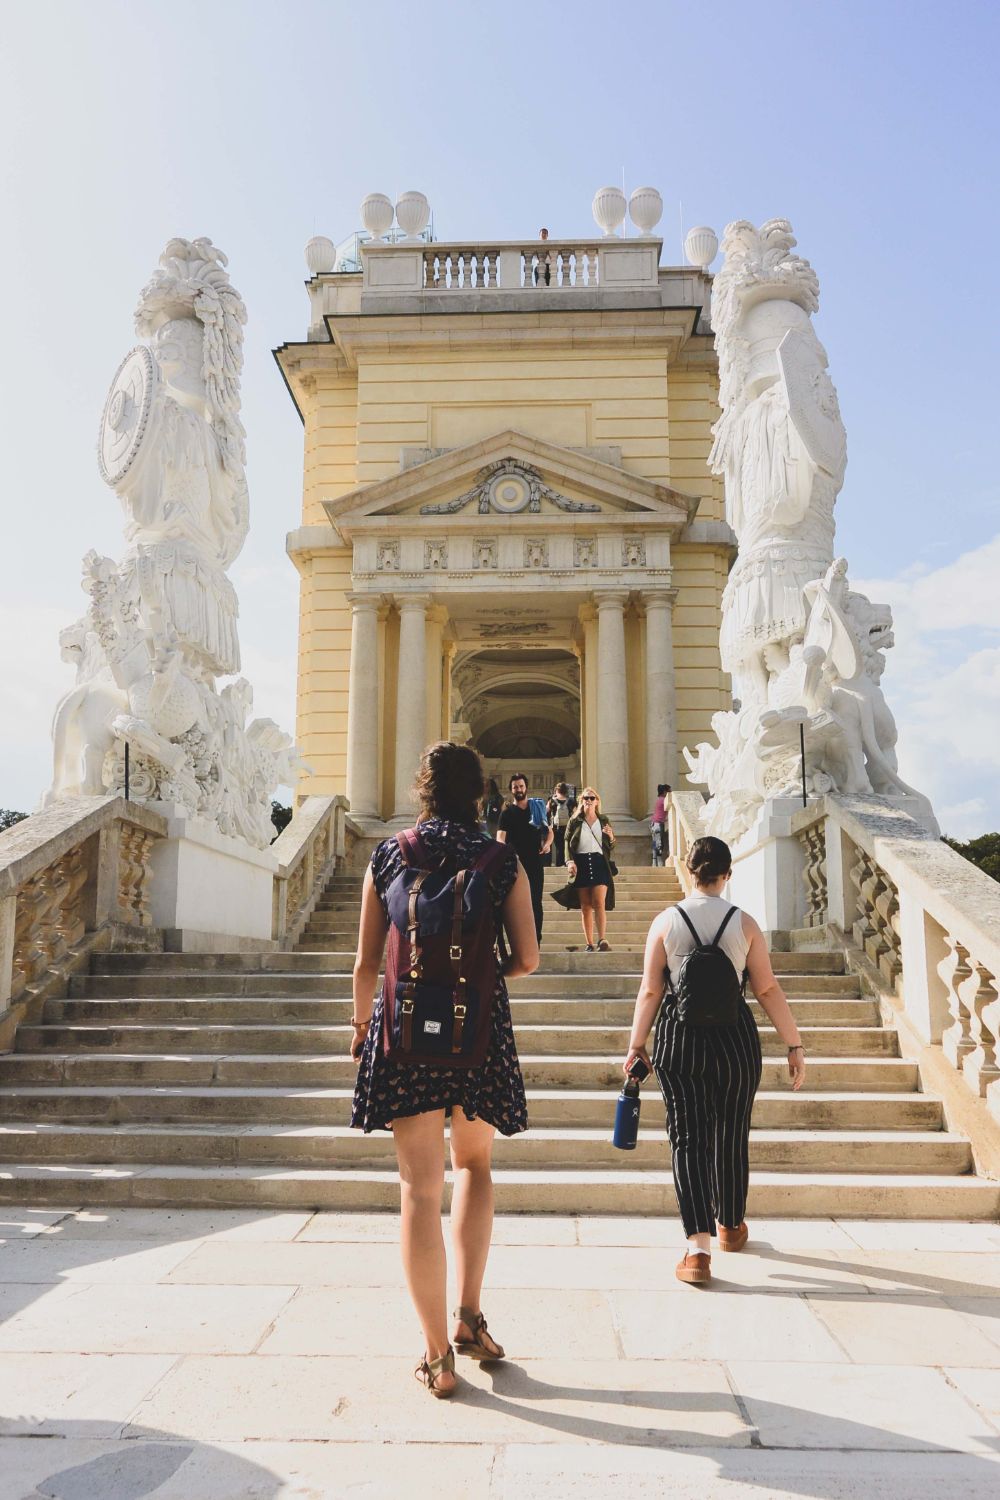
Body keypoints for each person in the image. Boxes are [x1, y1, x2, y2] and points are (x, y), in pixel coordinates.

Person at [351, 742, 539, 1397]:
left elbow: (367, 965)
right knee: (475, 1167)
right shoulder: (500, 859)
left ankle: (435, 1356)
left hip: (405, 1033)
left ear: (422, 790)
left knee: (418, 1191)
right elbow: (529, 958)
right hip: (479, 1033)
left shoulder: (389, 854)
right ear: (480, 793)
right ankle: (468, 1316)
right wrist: (486, 976)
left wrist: (360, 1029)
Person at [623, 835, 806, 1286]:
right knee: (731, 1131)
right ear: (727, 874)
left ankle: (697, 1249)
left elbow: (651, 989)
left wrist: (636, 1044)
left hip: (677, 1039)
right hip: (734, 1041)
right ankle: (730, 1224)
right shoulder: (744, 924)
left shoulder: (666, 921)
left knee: (686, 1137)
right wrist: (794, 1043)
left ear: (687, 870)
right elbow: (766, 989)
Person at [497, 773, 551, 943]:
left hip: (535, 862)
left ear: (526, 787)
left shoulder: (536, 807)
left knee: (536, 901)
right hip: (515, 864)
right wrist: (506, 854)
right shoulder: (506, 814)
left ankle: (536, 940)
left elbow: (549, 831)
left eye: (521, 786)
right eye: (515, 787)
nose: (518, 789)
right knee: (517, 905)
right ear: (511, 790)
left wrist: (548, 844)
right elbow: (500, 838)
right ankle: (520, 942)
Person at [565, 787, 615, 952]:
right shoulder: (575, 821)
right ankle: (589, 943)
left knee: (599, 902)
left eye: (592, 798)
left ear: (597, 801)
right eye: (586, 798)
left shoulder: (603, 820)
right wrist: (569, 862)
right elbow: (567, 842)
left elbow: (611, 845)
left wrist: (612, 837)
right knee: (585, 905)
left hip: (599, 862)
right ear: (581, 801)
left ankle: (602, 939)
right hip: (581, 862)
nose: (589, 800)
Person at [546, 781, 576, 867]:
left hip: (556, 827)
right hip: (568, 827)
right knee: (566, 846)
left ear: (556, 790)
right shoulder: (571, 801)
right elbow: (575, 814)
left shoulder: (552, 800)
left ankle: (559, 864)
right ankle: (567, 863)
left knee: (559, 846)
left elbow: (546, 811)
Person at [649, 783, 671, 867]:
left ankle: (654, 862)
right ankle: (659, 862)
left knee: (655, 843)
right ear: (665, 792)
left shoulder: (659, 799)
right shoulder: (664, 800)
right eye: (669, 791)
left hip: (654, 823)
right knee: (659, 844)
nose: (671, 793)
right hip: (658, 824)